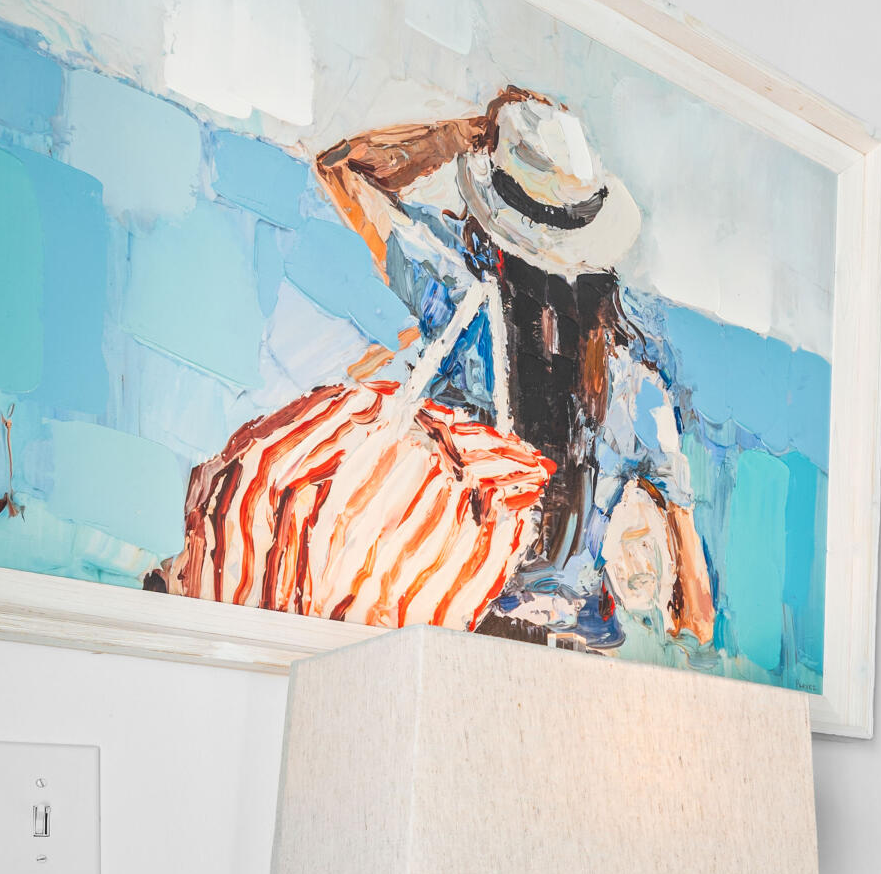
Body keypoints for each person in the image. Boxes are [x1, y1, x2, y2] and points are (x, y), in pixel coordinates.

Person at [153, 88, 715, 650]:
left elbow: (342, 169)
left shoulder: (456, 299)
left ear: (495, 221)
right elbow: (696, 611)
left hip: (464, 624)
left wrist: (470, 133)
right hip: (579, 645)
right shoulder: (639, 390)